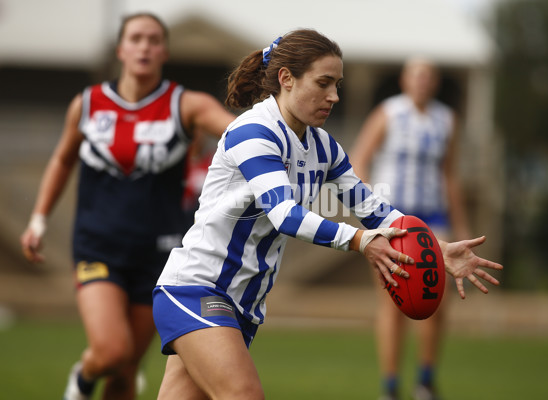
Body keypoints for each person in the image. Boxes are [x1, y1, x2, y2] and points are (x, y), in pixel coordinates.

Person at [151, 29, 502, 400]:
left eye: (337, 84)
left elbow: (371, 208)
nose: (333, 96)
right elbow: (284, 213)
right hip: (197, 289)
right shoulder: (253, 132)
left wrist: (432, 247)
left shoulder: (322, 145)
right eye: (323, 83)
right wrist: (359, 241)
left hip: (243, 305)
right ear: (286, 78)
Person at [19, 12, 235, 400]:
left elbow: (237, 134)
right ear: (121, 48)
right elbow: (62, 160)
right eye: (136, 38)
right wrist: (38, 220)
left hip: (160, 255)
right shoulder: (88, 104)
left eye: (154, 40)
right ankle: (83, 377)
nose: (145, 47)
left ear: (164, 51)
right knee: (111, 351)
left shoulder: (184, 104)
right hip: (98, 246)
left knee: (126, 371)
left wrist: (280, 137)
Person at [350, 58, 472, 400]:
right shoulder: (387, 114)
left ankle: (426, 382)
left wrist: (461, 223)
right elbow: (358, 161)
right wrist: (370, 208)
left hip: (433, 219)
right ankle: (389, 386)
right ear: (405, 79)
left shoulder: (446, 120)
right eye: (416, 74)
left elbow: (450, 175)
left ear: (434, 82)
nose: (422, 81)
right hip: (395, 220)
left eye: (428, 75)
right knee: (393, 301)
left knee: (435, 300)